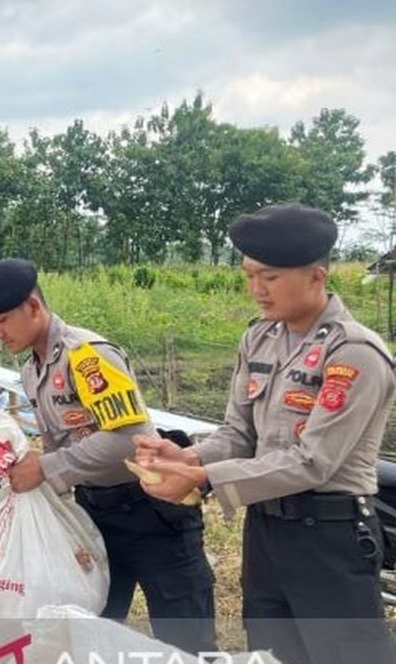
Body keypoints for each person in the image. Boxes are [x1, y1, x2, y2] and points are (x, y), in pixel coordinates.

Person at [136, 204, 396, 664]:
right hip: (266, 532)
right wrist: (185, 457)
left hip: (329, 538)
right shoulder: (259, 339)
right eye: (249, 275)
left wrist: (205, 480)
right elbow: (239, 434)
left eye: (271, 277)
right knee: (272, 655)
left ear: (316, 275)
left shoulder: (353, 352)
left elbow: (313, 461)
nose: (257, 289)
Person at [0, 258, 217, 654]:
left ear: (33, 307)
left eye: (1, 321)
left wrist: (46, 467)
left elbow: (128, 437)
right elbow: (59, 445)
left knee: (186, 637)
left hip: (152, 510)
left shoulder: (86, 356)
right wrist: (68, 526)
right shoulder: (34, 371)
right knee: (87, 635)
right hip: (97, 513)